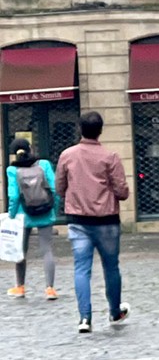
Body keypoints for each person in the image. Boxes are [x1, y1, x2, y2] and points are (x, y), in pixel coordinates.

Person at [55, 112, 130, 334]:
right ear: (100, 130)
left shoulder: (67, 155)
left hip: (78, 220)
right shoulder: (110, 156)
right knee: (111, 267)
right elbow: (122, 191)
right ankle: (115, 311)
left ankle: (84, 318)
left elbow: (60, 187)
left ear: (80, 129)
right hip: (106, 220)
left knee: (81, 268)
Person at [6, 137, 58, 300]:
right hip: (45, 213)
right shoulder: (44, 165)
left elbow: (13, 196)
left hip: (23, 216)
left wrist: (12, 215)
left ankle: (20, 287)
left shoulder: (12, 170)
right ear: (30, 148)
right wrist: (53, 210)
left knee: (20, 251)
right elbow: (55, 189)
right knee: (47, 250)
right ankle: (50, 289)